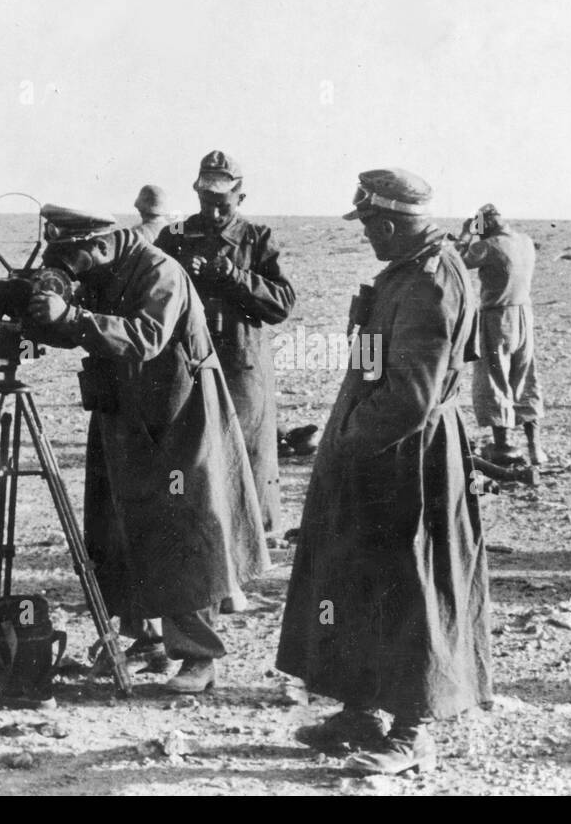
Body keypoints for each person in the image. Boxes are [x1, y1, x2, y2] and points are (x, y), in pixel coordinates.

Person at [276, 168, 493, 777]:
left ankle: (411, 729)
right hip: (381, 450)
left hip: (406, 457)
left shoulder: (429, 283)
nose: (367, 235)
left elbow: (412, 397)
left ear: (391, 222)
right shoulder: (408, 273)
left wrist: (347, 443)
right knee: (360, 578)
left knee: (408, 585)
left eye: (370, 224)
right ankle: (361, 711)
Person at [24, 215, 269, 693]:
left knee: (184, 530)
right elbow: (86, 328)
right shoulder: (105, 271)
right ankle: (147, 640)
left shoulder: (161, 271)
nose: (74, 269)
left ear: (103, 243)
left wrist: (71, 317)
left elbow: (144, 337)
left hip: (179, 418)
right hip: (127, 414)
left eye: (76, 257)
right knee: (120, 524)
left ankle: (199, 657)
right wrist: (43, 317)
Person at [156, 151, 295, 533]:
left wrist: (231, 275)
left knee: (248, 452)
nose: (214, 214)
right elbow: (153, 291)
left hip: (242, 363)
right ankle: (192, 533)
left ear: (240, 198)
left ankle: (254, 535)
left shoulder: (256, 238)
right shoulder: (175, 236)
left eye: (223, 205)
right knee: (189, 451)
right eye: (206, 203)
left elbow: (281, 304)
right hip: (188, 360)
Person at [459, 203, 543, 464]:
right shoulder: (525, 241)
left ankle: (503, 447)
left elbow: (457, 262)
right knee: (525, 375)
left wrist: (465, 234)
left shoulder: (488, 246)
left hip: (497, 316)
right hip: (524, 314)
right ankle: (535, 448)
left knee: (494, 376)